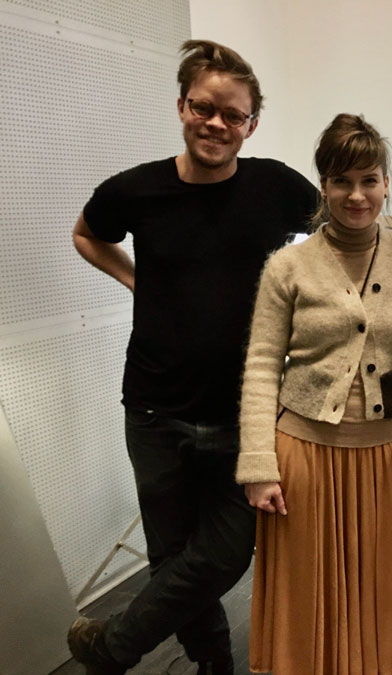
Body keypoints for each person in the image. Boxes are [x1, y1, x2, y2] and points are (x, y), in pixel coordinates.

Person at [67, 40, 318, 673]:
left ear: (251, 124)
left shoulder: (276, 186)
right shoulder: (137, 190)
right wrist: (136, 281)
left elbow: (340, 231)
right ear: (182, 106)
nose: (216, 124)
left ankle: (112, 646)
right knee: (172, 558)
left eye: (233, 115)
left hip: (244, 414)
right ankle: (214, 666)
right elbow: (86, 234)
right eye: (204, 108)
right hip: (154, 411)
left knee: (226, 553)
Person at [235, 113, 392, 674]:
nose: (357, 196)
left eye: (368, 180)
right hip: (304, 456)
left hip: (381, 453)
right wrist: (258, 465)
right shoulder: (288, 265)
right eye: (342, 182)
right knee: (313, 596)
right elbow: (261, 365)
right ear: (324, 187)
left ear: (385, 182)